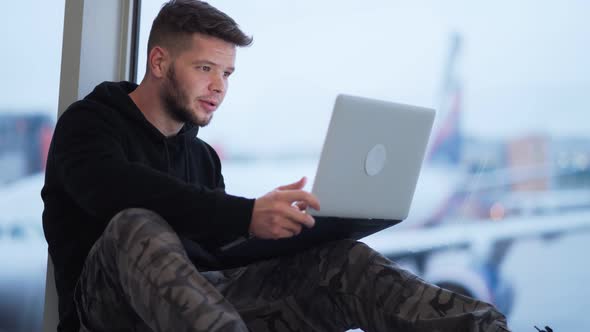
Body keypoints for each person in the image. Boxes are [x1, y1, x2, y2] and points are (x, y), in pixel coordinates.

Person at [41, 1, 510, 331]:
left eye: (226, 74)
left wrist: (291, 232)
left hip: (204, 309)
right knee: (135, 224)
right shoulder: (89, 125)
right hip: (108, 313)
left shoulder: (200, 157)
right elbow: (116, 191)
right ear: (159, 62)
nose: (219, 87)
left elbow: (215, 256)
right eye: (205, 68)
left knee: (341, 263)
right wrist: (244, 213)